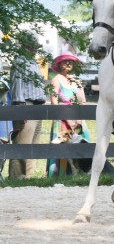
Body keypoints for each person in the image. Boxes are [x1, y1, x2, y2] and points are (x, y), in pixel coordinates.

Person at [9, 31, 46, 179]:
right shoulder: (20, 62)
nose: (34, 48)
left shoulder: (33, 62)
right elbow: (17, 88)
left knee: (33, 144)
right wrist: (20, 110)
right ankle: (16, 177)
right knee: (22, 143)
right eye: (32, 45)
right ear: (25, 44)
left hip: (37, 107)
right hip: (26, 105)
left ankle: (28, 176)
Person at [46, 51, 90, 177]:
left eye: (71, 61)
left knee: (82, 147)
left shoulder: (77, 80)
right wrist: (68, 120)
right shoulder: (55, 80)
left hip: (79, 120)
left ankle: (84, 172)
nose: (69, 63)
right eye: (66, 61)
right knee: (61, 148)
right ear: (60, 64)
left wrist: (79, 120)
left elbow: (83, 101)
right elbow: (54, 102)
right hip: (62, 121)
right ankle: (60, 175)